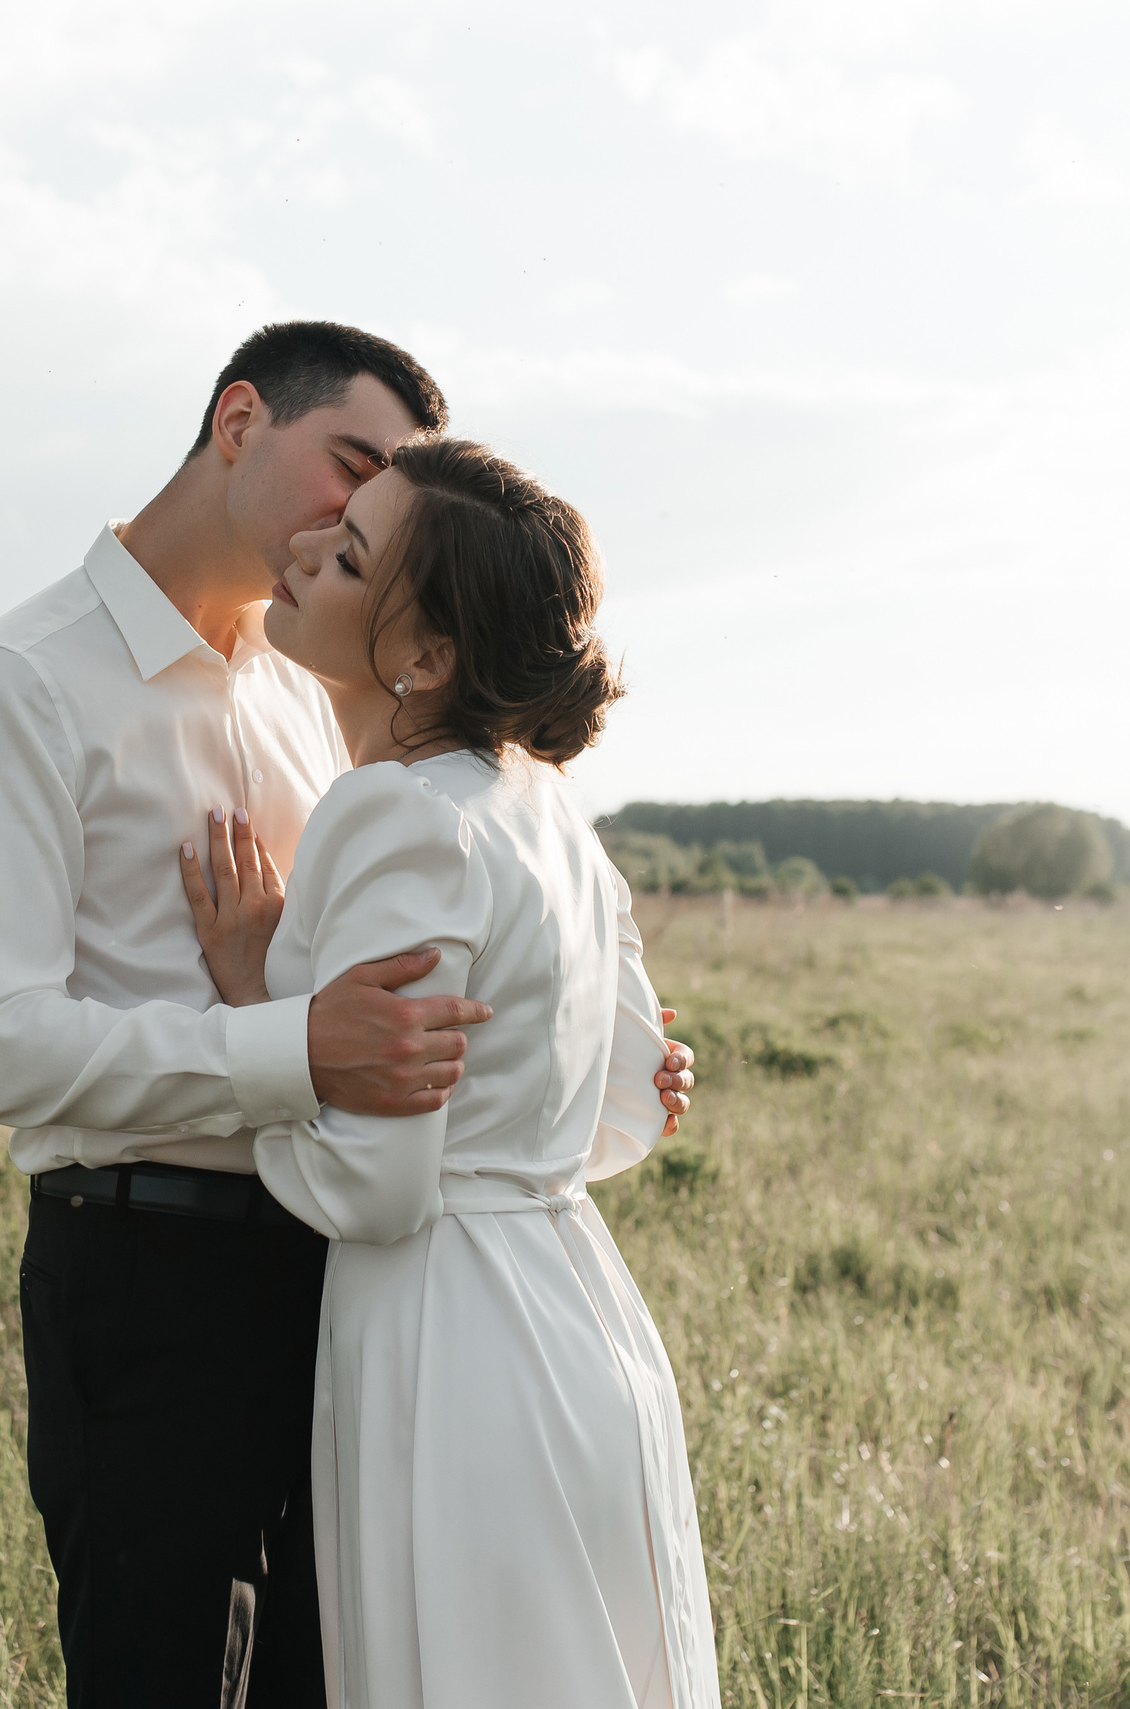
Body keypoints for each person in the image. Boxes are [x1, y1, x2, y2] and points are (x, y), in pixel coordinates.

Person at [0, 323, 697, 1708]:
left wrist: (542, 1043)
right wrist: (294, 1040)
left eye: (386, 495)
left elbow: (415, 933)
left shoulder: (316, 685)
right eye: (352, 465)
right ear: (238, 422)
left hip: (355, 1288)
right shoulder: (13, 685)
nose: (358, 511)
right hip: (155, 1279)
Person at [179, 438, 719, 1709]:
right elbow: (636, 1094)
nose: (306, 549)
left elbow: (372, 1186)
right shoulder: (543, 806)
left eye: (351, 552)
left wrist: (259, 1001)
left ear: (424, 659)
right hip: (582, 1313)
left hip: (453, 1346)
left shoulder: (393, 813)